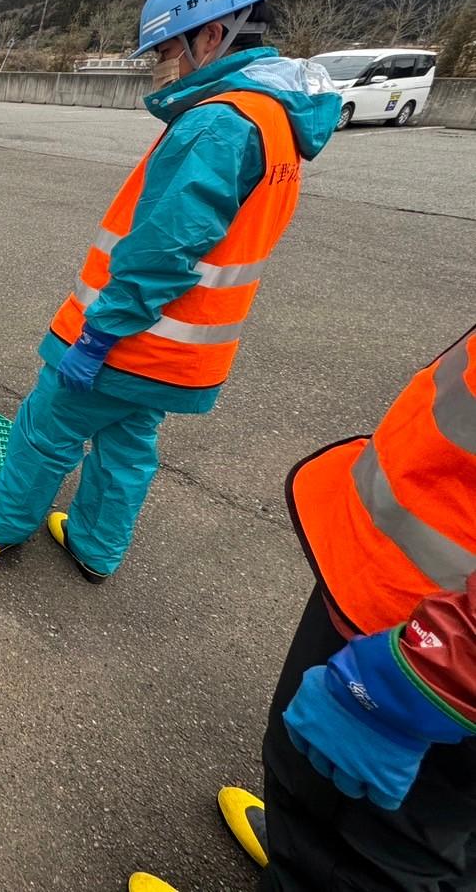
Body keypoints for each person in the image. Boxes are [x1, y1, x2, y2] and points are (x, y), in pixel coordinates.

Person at [0, 0, 340, 578]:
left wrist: (99, 334)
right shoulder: (277, 119)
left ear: (213, 35)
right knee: (127, 445)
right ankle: (94, 545)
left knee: (45, 431)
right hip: (183, 350)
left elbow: (163, 252)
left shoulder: (217, 122)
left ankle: (0, 529)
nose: (167, 65)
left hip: (131, 340)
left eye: (169, 49)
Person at [131, 326, 476, 891]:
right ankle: (299, 847)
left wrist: (437, 670)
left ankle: (313, 861)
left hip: (428, 645)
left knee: (375, 850)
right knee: (362, 804)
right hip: (413, 596)